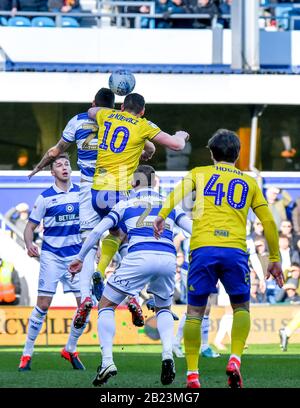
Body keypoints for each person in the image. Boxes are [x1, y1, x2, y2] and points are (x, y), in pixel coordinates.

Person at [154, 128, 284, 388]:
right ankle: (235, 358)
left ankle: (193, 375)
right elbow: (268, 221)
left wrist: (160, 215)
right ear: (237, 155)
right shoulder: (249, 182)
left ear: (212, 154)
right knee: (241, 308)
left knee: (194, 313)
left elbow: (174, 197)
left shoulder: (198, 174)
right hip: (234, 251)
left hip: (203, 249)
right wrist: (274, 257)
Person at [68, 165, 193, 387]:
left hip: (138, 256)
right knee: (164, 308)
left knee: (106, 305)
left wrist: (79, 256)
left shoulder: (124, 203)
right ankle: (167, 355)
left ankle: (107, 361)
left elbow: (98, 231)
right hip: (167, 258)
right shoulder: (169, 203)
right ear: (155, 182)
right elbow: (192, 228)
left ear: (133, 183)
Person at [80, 92, 189, 327]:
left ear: (121, 107)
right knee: (137, 238)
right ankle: (125, 287)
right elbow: (177, 145)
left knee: (118, 234)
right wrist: (181, 134)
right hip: (119, 191)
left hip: (97, 191)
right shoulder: (143, 125)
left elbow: (91, 112)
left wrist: (103, 113)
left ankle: (116, 283)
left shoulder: (107, 115)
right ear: (142, 111)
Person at [27, 88, 120, 328]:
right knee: (121, 235)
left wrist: (39, 166)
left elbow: (55, 150)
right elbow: (146, 150)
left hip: (89, 188)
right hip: (114, 185)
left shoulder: (78, 121)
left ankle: (86, 294)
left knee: (87, 239)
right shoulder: (119, 122)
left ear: (93, 104)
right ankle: (127, 292)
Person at [18, 153, 86, 372]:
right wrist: (29, 244)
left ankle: (70, 348)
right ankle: (26, 354)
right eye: (59, 165)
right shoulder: (45, 198)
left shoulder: (82, 194)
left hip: (76, 257)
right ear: (52, 172)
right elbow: (29, 228)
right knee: (44, 305)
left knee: (85, 306)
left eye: (67, 164)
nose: (64, 167)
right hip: (52, 256)